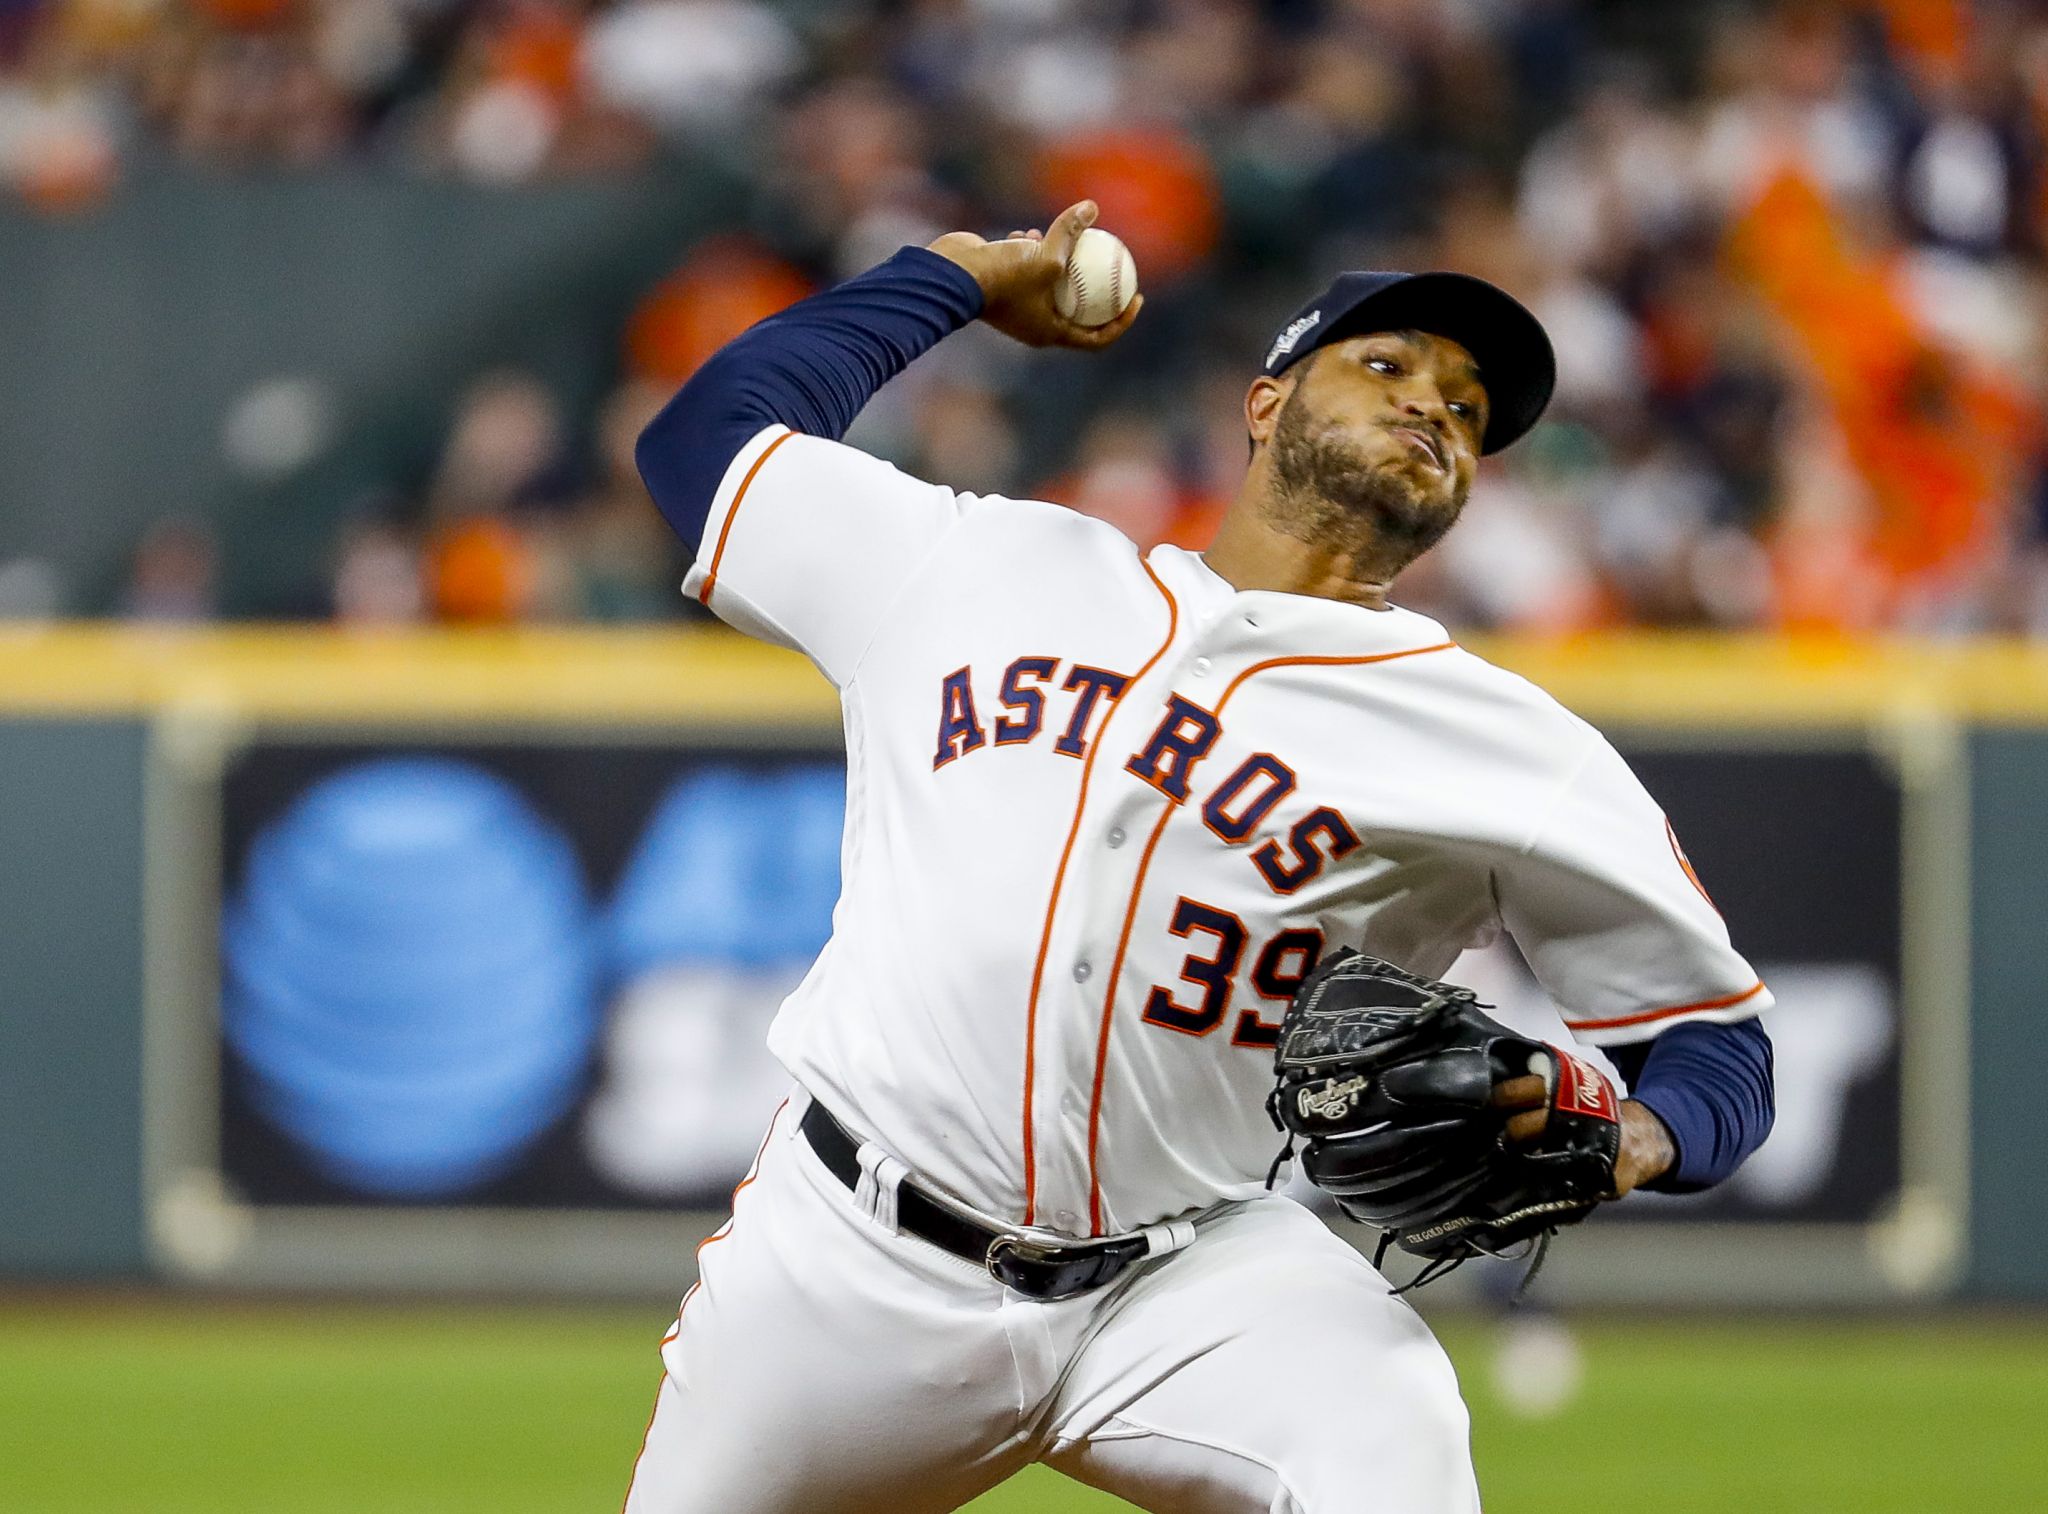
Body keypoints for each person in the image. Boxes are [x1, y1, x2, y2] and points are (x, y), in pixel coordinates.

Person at [624, 200, 1776, 1513]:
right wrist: (952, 281)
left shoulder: (1510, 745)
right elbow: (703, 444)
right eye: (1390, 366)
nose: (1435, 410)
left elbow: (1718, 1046)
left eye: (1466, 408)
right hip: (845, 1262)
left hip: (1186, 1281)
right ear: (1267, 403)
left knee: (1395, 1427)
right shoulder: (977, 565)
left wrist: (1635, 1135)